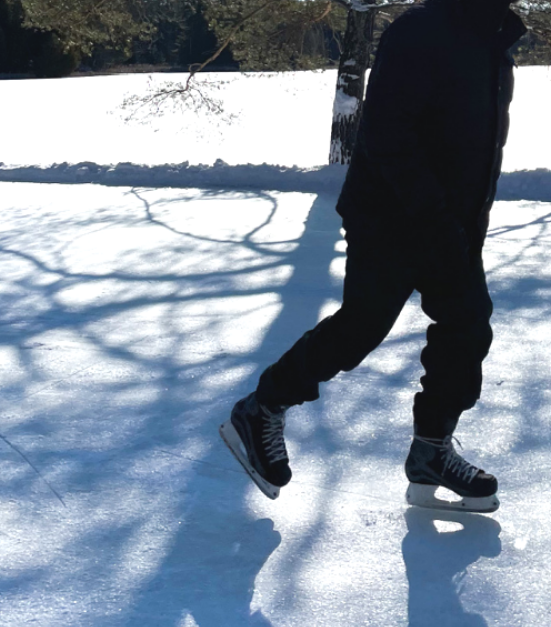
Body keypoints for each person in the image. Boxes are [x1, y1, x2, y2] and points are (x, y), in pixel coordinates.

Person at [220, 0, 526, 514]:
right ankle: (262, 407)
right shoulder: (421, 30)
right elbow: (387, 134)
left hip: (449, 222)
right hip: (391, 215)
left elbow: (476, 145)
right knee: (362, 327)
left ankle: (431, 452)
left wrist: (465, 225)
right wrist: (435, 218)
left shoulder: (493, 38)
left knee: (467, 325)